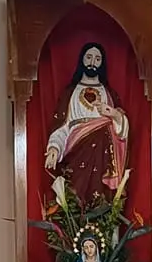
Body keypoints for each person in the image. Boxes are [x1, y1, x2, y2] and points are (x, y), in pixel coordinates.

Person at [43, 42, 130, 208]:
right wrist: (54, 147)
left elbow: (122, 132)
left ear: (102, 63)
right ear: (82, 59)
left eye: (97, 59)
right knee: (75, 198)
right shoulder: (70, 93)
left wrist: (113, 114)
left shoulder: (109, 93)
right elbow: (62, 126)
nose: (92, 62)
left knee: (101, 202)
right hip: (76, 152)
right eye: (89, 57)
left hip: (103, 158)